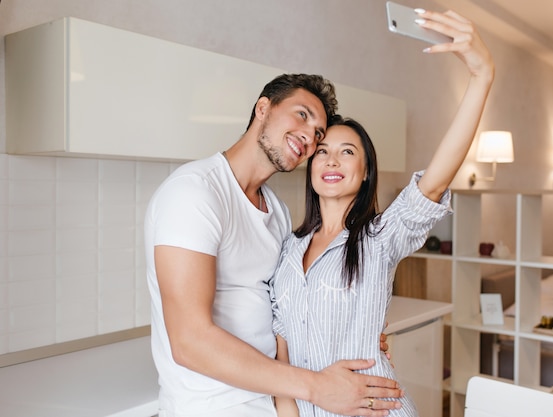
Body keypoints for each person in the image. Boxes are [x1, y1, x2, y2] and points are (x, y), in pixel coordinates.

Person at [270, 9, 494, 417]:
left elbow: (436, 181)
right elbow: (282, 352)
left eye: (347, 152)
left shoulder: (378, 238)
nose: (332, 160)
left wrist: (481, 77)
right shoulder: (288, 246)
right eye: (322, 152)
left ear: (365, 170)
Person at [144, 71, 404, 414]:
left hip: (275, 402)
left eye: (317, 133)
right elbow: (189, 341)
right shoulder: (194, 193)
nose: (309, 138)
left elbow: (289, 308)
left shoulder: (277, 213)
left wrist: (353, 331)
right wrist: (316, 387)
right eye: (302, 114)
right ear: (263, 108)